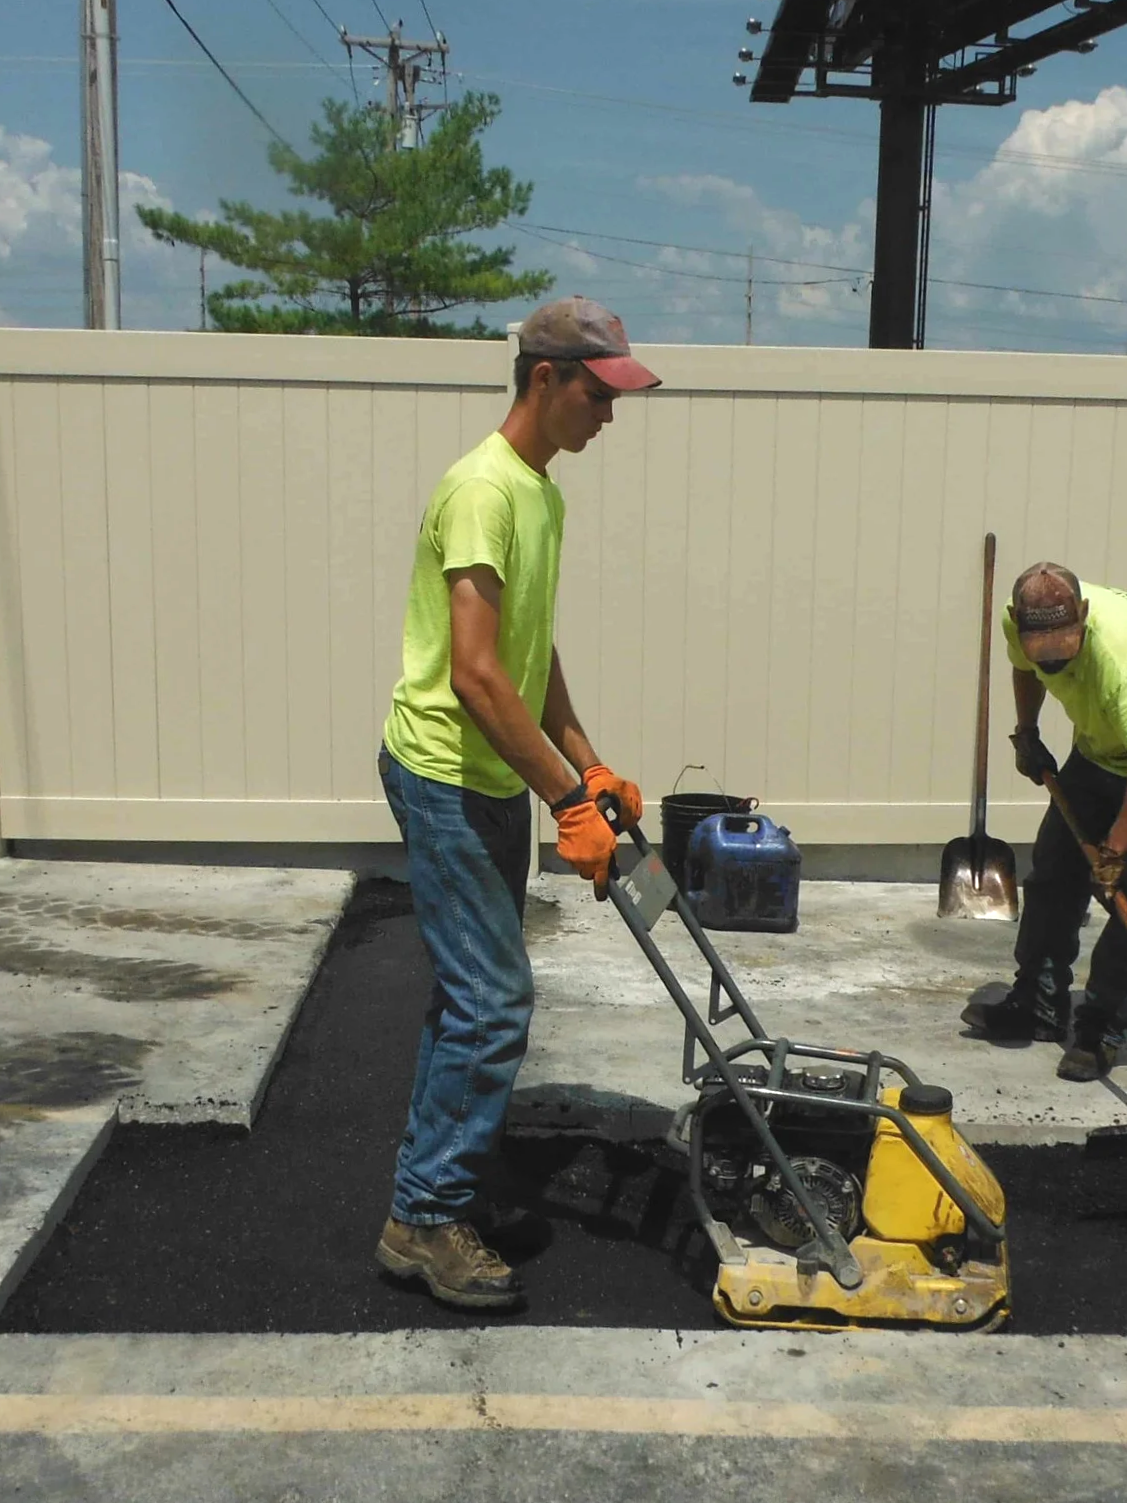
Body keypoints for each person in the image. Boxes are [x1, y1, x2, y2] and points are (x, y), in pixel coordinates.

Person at [373, 296, 660, 1310]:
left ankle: (434, 1191)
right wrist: (564, 803)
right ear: (545, 380)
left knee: (470, 998)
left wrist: (587, 765)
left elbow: (531, 655)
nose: (610, 416)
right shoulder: (482, 492)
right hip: (447, 772)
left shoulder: (542, 494)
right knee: (494, 1002)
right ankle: (424, 1221)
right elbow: (477, 678)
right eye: (599, 393)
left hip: (493, 772)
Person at [961, 562, 1127, 1083]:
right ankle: (1037, 1004)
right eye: (1046, 652)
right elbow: (1023, 667)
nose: (1054, 660)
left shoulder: (1121, 661)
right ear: (1019, 622)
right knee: (1054, 870)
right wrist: (1027, 730)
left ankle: (1102, 1027)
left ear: (1083, 616)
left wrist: (1115, 850)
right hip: (1103, 741)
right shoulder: (1023, 625)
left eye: (1066, 646)